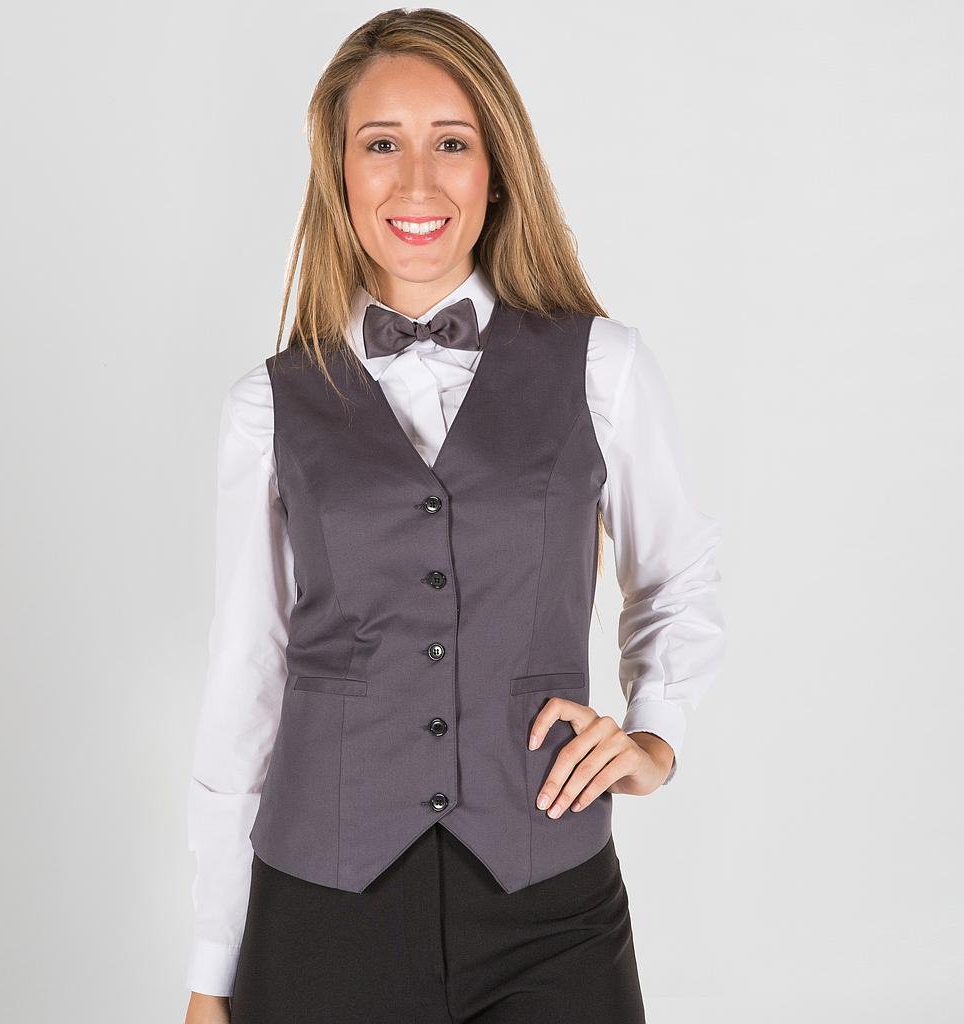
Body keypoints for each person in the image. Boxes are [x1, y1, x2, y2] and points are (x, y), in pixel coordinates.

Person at [183, 9, 724, 1024]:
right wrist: (212, 968)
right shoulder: (267, 406)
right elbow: (246, 671)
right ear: (339, 172)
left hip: (548, 908)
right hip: (320, 908)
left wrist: (654, 733)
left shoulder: (603, 368)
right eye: (381, 144)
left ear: (497, 168)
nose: (417, 182)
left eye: (452, 143)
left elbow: (677, 578)